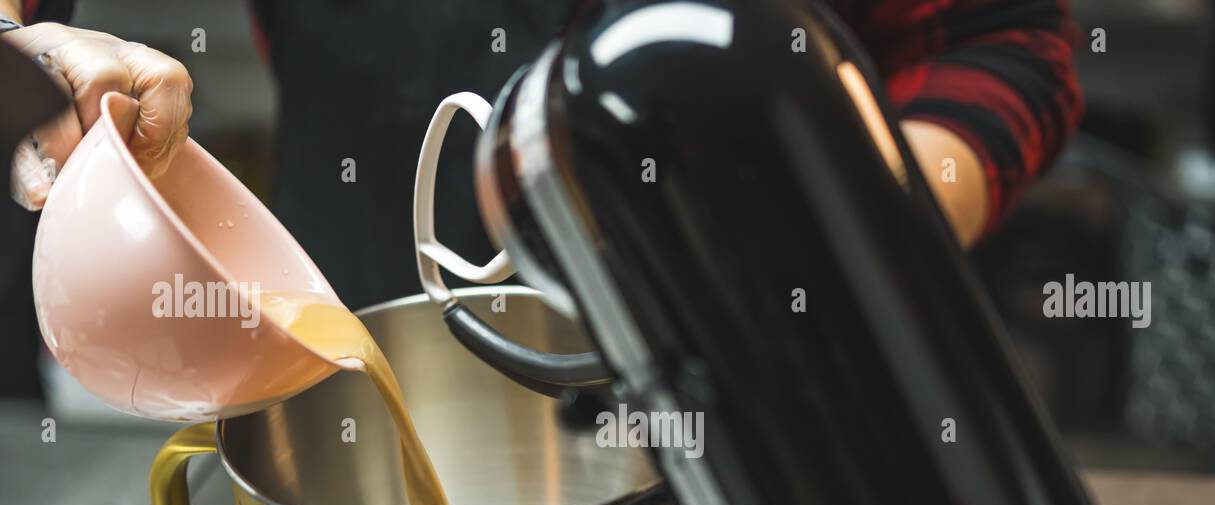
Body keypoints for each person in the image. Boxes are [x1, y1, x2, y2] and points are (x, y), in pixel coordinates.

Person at [5, 0, 1082, 315]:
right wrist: (33, 57)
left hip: (763, 475)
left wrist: (851, 219)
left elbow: (996, 43)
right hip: (353, 441)